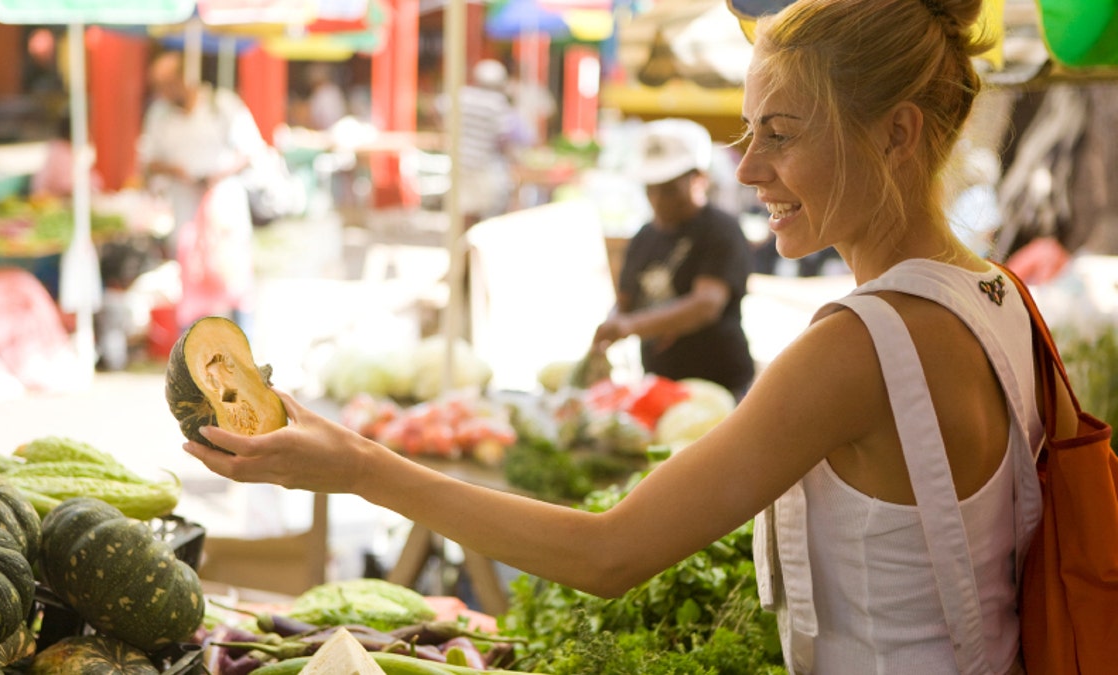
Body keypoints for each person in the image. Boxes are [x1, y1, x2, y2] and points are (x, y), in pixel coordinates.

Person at [183, 1, 1063, 671]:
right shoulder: (995, 295)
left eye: (781, 135)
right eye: (748, 133)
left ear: (898, 133)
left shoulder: (859, 346)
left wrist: (359, 466)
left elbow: (608, 554)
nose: (748, 168)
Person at [592, 118, 755, 398]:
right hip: (659, 383)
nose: (657, 200)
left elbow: (707, 304)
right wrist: (610, 329)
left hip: (719, 385)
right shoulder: (644, 237)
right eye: (650, 189)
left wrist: (630, 326)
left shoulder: (720, 230)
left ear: (699, 179)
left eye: (669, 189)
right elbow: (625, 300)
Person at [138, 51, 262, 334]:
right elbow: (147, 161)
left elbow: (251, 149)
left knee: (236, 288)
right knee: (192, 294)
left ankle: (245, 355)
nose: (166, 92)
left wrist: (217, 174)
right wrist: (175, 170)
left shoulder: (222, 105)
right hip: (187, 218)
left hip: (225, 214)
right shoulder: (159, 115)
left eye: (169, 83)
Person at [456, 59, 520, 225]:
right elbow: (504, 137)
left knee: (464, 210)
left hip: (460, 159)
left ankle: (462, 246)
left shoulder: (463, 95)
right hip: (484, 164)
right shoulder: (497, 103)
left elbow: (437, 108)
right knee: (486, 211)